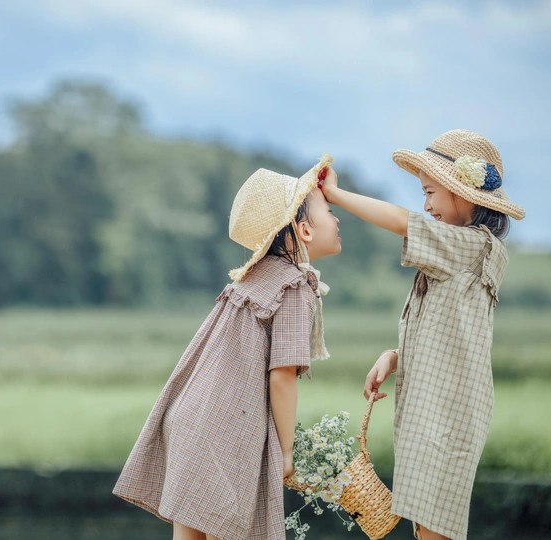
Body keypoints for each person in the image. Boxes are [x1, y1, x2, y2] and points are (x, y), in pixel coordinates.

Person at [113, 154, 341, 539]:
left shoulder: (253, 278)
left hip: (192, 422)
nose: (337, 219)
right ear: (304, 230)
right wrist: (286, 454)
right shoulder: (294, 286)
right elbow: (283, 376)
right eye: (330, 210)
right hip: (227, 439)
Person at [319, 129, 525, 540]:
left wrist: (336, 196)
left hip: (446, 414)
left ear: (463, 194)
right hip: (431, 409)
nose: (426, 204)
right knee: (426, 527)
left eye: (431, 192)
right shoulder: (450, 256)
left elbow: (400, 221)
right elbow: (447, 335)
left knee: (434, 529)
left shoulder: (473, 247)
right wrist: (395, 356)